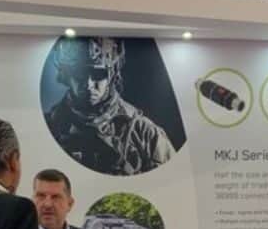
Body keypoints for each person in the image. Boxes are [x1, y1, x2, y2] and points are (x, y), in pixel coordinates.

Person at [45, 37, 174, 176]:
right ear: (66, 76)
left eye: (98, 74)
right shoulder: (50, 126)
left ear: (112, 75)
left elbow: (171, 180)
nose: (88, 85)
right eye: (79, 74)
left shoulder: (145, 133)